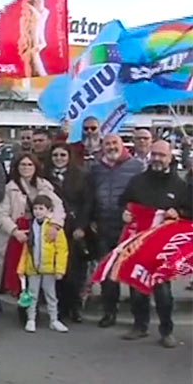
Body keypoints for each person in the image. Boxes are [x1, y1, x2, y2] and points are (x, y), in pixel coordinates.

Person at [118, 139, 190, 348]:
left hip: (164, 248)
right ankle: (139, 326)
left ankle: (166, 331)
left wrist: (180, 213)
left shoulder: (180, 185)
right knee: (137, 288)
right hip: (139, 244)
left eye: (162, 155)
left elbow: (190, 212)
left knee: (163, 292)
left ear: (170, 157)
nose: (157, 159)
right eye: (154, 154)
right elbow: (123, 201)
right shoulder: (137, 181)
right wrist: (125, 212)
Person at [88, 133, 144, 328]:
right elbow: (90, 196)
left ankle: (139, 320)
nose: (111, 147)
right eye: (107, 144)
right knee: (108, 274)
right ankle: (109, 312)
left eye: (115, 143)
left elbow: (143, 196)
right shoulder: (95, 168)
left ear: (122, 145)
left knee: (132, 273)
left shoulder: (136, 166)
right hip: (104, 227)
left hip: (129, 228)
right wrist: (92, 218)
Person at [0, 154, 65, 294]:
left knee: (39, 271)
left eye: (29, 165)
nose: (26, 168)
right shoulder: (10, 188)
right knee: (17, 273)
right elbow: (1, 214)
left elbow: (58, 207)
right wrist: (14, 231)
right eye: (23, 164)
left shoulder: (45, 186)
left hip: (41, 233)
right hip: (17, 235)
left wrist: (55, 226)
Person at [46, 143, 92, 323]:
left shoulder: (81, 175)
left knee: (74, 272)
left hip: (74, 228)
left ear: (69, 156)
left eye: (62, 155)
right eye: (55, 155)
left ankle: (75, 307)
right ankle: (59, 308)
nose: (59, 158)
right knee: (56, 270)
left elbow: (88, 203)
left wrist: (82, 226)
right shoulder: (45, 176)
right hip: (53, 227)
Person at [18, 195, 69, 333]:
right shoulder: (31, 226)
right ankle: (31, 319)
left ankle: (54, 319)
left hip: (49, 268)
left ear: (49, 210)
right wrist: (21, 268)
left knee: (51, 295)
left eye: (41, 208)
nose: (38, 211)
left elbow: (61, 250)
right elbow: (26, 250)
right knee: (32, 295)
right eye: (35, 208)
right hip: (33, 267)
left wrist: (59, 270)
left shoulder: (54, 228)